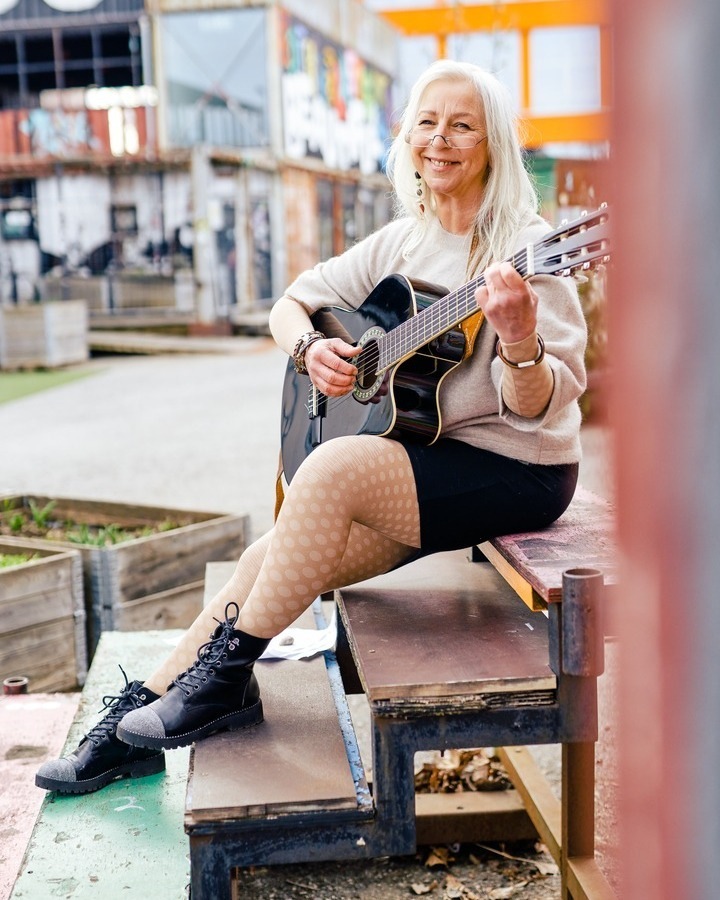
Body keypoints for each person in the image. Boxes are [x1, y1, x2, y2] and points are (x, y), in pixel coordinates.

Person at [35, 59, 586, 795]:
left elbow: (538, 406)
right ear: (407, 137)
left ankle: (226, 680)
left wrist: (518, 338)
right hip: (424, 459)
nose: (440, 140)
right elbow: (291, 302)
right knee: (265, 558)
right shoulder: (405, 242)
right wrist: (310, 348)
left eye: (462, 126)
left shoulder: (528, 249)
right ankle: (132, 723)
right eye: (427, 121)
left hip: (515, 470)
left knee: (329, 470)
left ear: (494, 145)